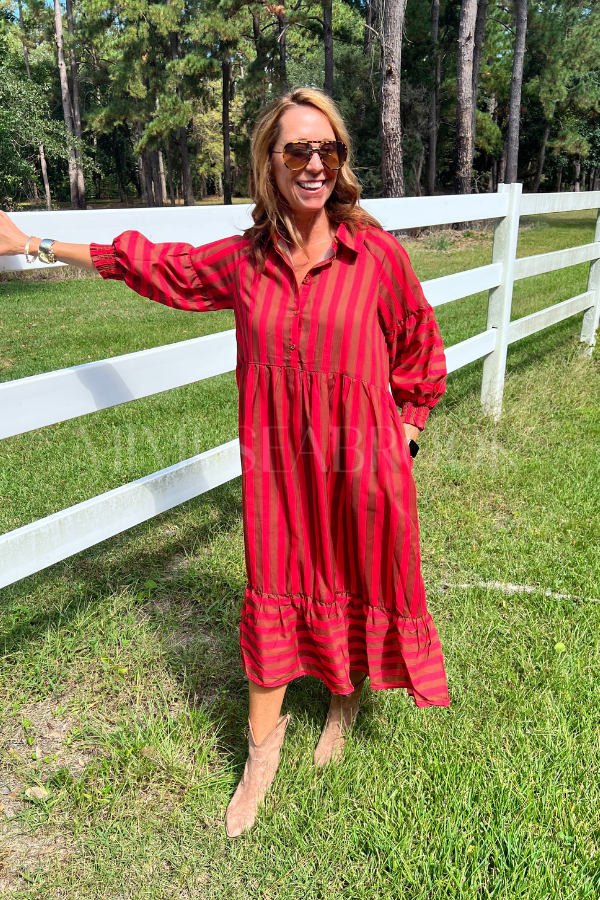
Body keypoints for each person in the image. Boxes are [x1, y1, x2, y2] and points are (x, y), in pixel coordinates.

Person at [0, 87, 449, 839]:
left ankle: (343, 699)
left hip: (361, 463)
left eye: (328, 150)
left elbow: (418, 343)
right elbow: (155, 265)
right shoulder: (246, 261)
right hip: (279, 471)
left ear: (341, 161)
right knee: (276, 584)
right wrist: (33, 243)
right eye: (297, 150)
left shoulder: (375, 256)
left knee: (353, 574)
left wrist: (405, 432)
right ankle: (261, 751)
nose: (314, 164)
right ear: (269, 162)